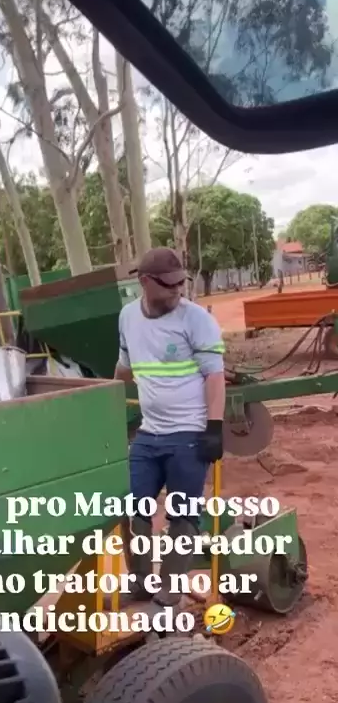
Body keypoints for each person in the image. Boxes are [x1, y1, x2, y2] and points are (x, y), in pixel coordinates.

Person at [114, 246, 226, 608]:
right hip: (149, 434)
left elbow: (214, 376)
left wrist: (214, 427)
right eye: (169, 284)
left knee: (182, 514)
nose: (178, 290)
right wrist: (104, 404)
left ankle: (170, 588)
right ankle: (141, 582)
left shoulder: (196, 319)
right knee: (133, 508)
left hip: (189, 434)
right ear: (145, 282)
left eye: (181, 283)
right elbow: (123, 369)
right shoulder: (127, 317)